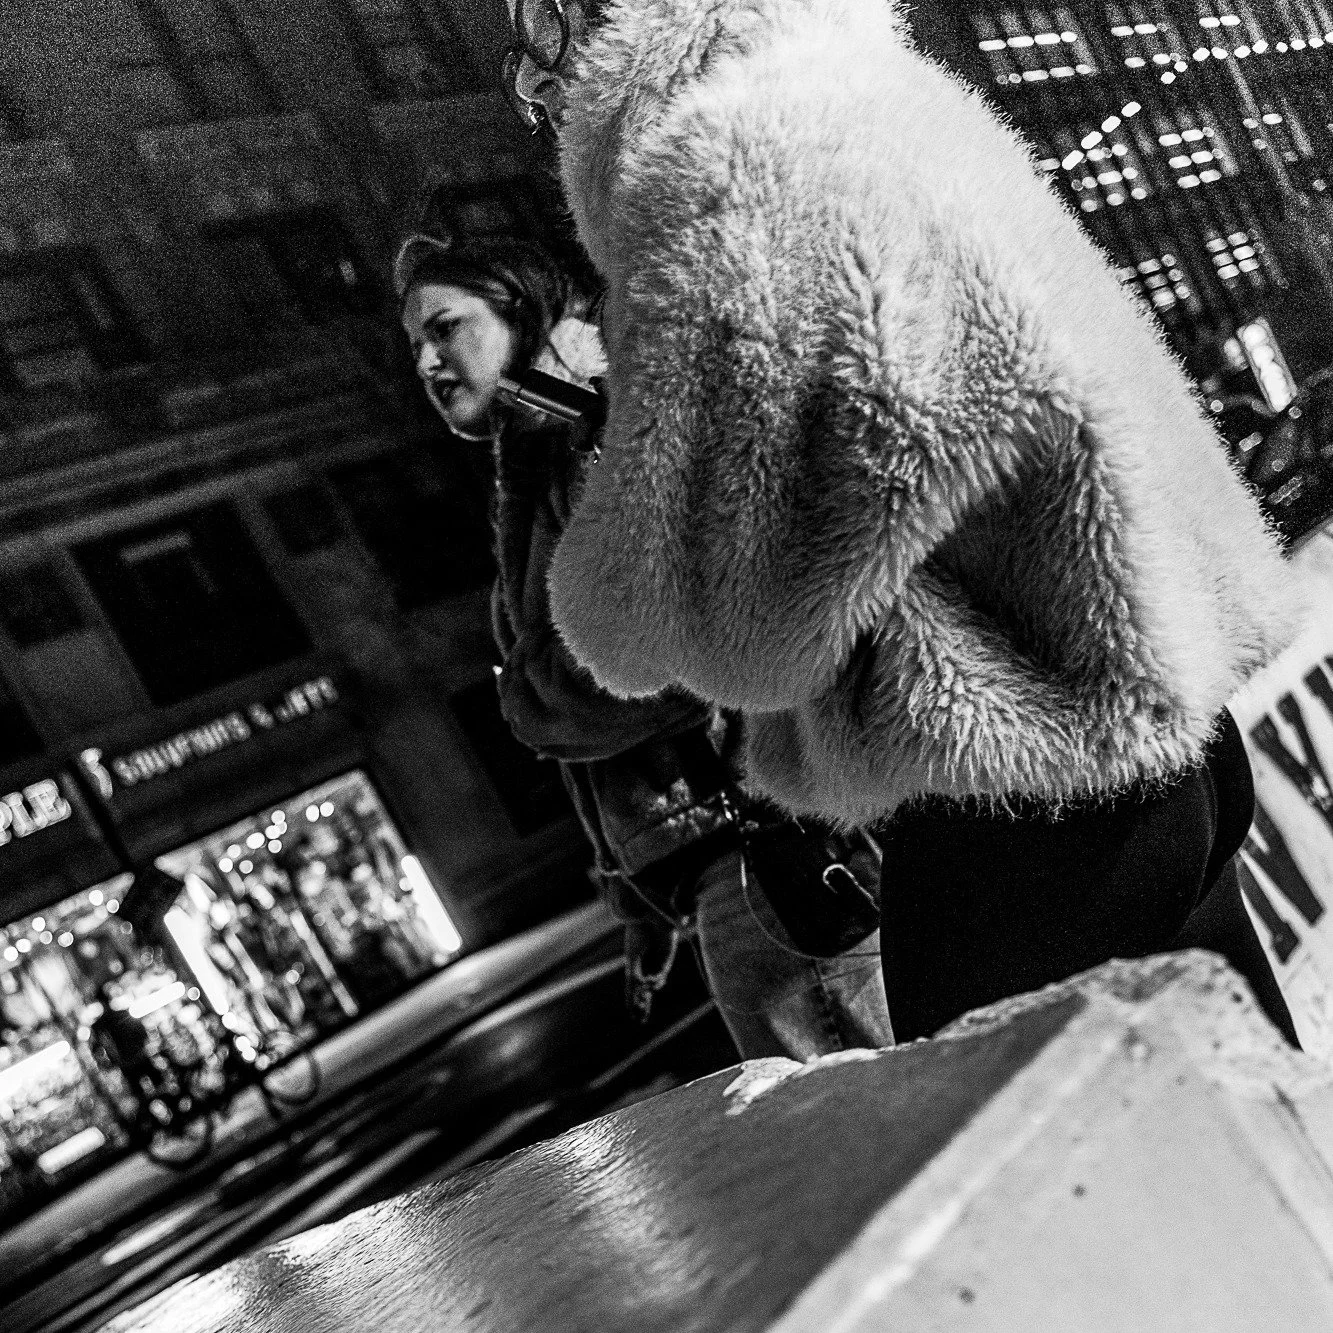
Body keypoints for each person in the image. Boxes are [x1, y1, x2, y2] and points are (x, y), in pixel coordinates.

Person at [501, 0, 1305, 1044]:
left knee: (1058, 1180)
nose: (536, 96)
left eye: (539, 53)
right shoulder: (878, 89)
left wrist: (587, 474)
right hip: (1167, 740)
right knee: (1253, 1152)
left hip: (1013, 787)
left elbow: (721, 616)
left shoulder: (721, 170)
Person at [395, 228, 893, 1059]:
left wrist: (528, 698)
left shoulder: (592, 434)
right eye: (415, 342)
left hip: (765, 852)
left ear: (522, 314)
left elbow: (687, 646)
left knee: (875, 1136)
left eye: (445, 327)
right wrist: (635, 902)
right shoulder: (540, 456)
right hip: (731, 863)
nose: (425, 362)